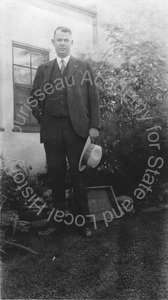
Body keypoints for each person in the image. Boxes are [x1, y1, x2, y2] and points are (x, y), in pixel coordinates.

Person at [30, 26, 100, 237]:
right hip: (52, 129)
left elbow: (93, 97)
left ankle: (83, 223)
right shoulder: (44, 69)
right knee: (56, 175)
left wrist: (94, 125)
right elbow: (34, 97)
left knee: (78, 177)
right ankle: (57, 223)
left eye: (66, 40)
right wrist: (43, 118)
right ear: (52, 42)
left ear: (71, 42)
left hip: (76, 129)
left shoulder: (84, 66)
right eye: (58, 40)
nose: (62, 43)